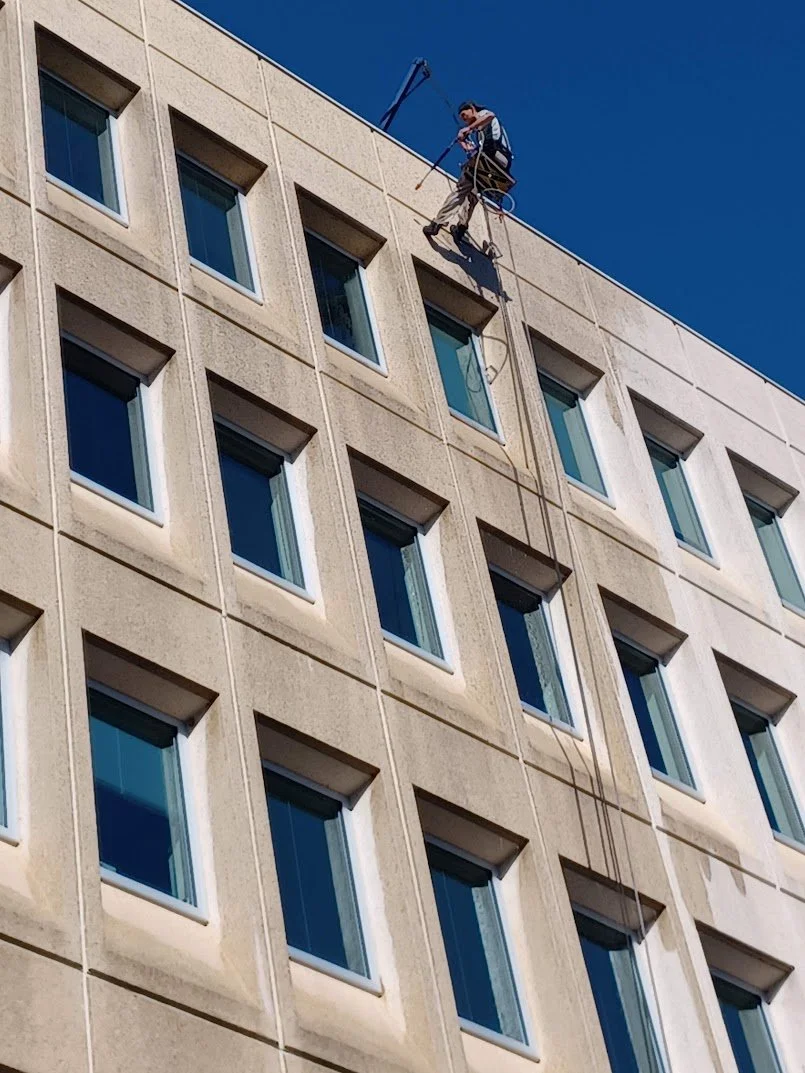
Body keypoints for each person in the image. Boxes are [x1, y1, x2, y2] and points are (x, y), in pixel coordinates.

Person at [423, 101, 514, 243]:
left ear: (472, 109)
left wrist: (469, 129)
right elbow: (472, 151)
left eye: (464, 115)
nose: (464, 119)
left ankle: (437, 222)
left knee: (460, 189)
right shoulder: (481, 132)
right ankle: (461, 228)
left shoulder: (483, 115)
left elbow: (491, 115)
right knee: (472, 193)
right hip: (497, 162)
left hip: (495, 155)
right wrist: (463, 143)